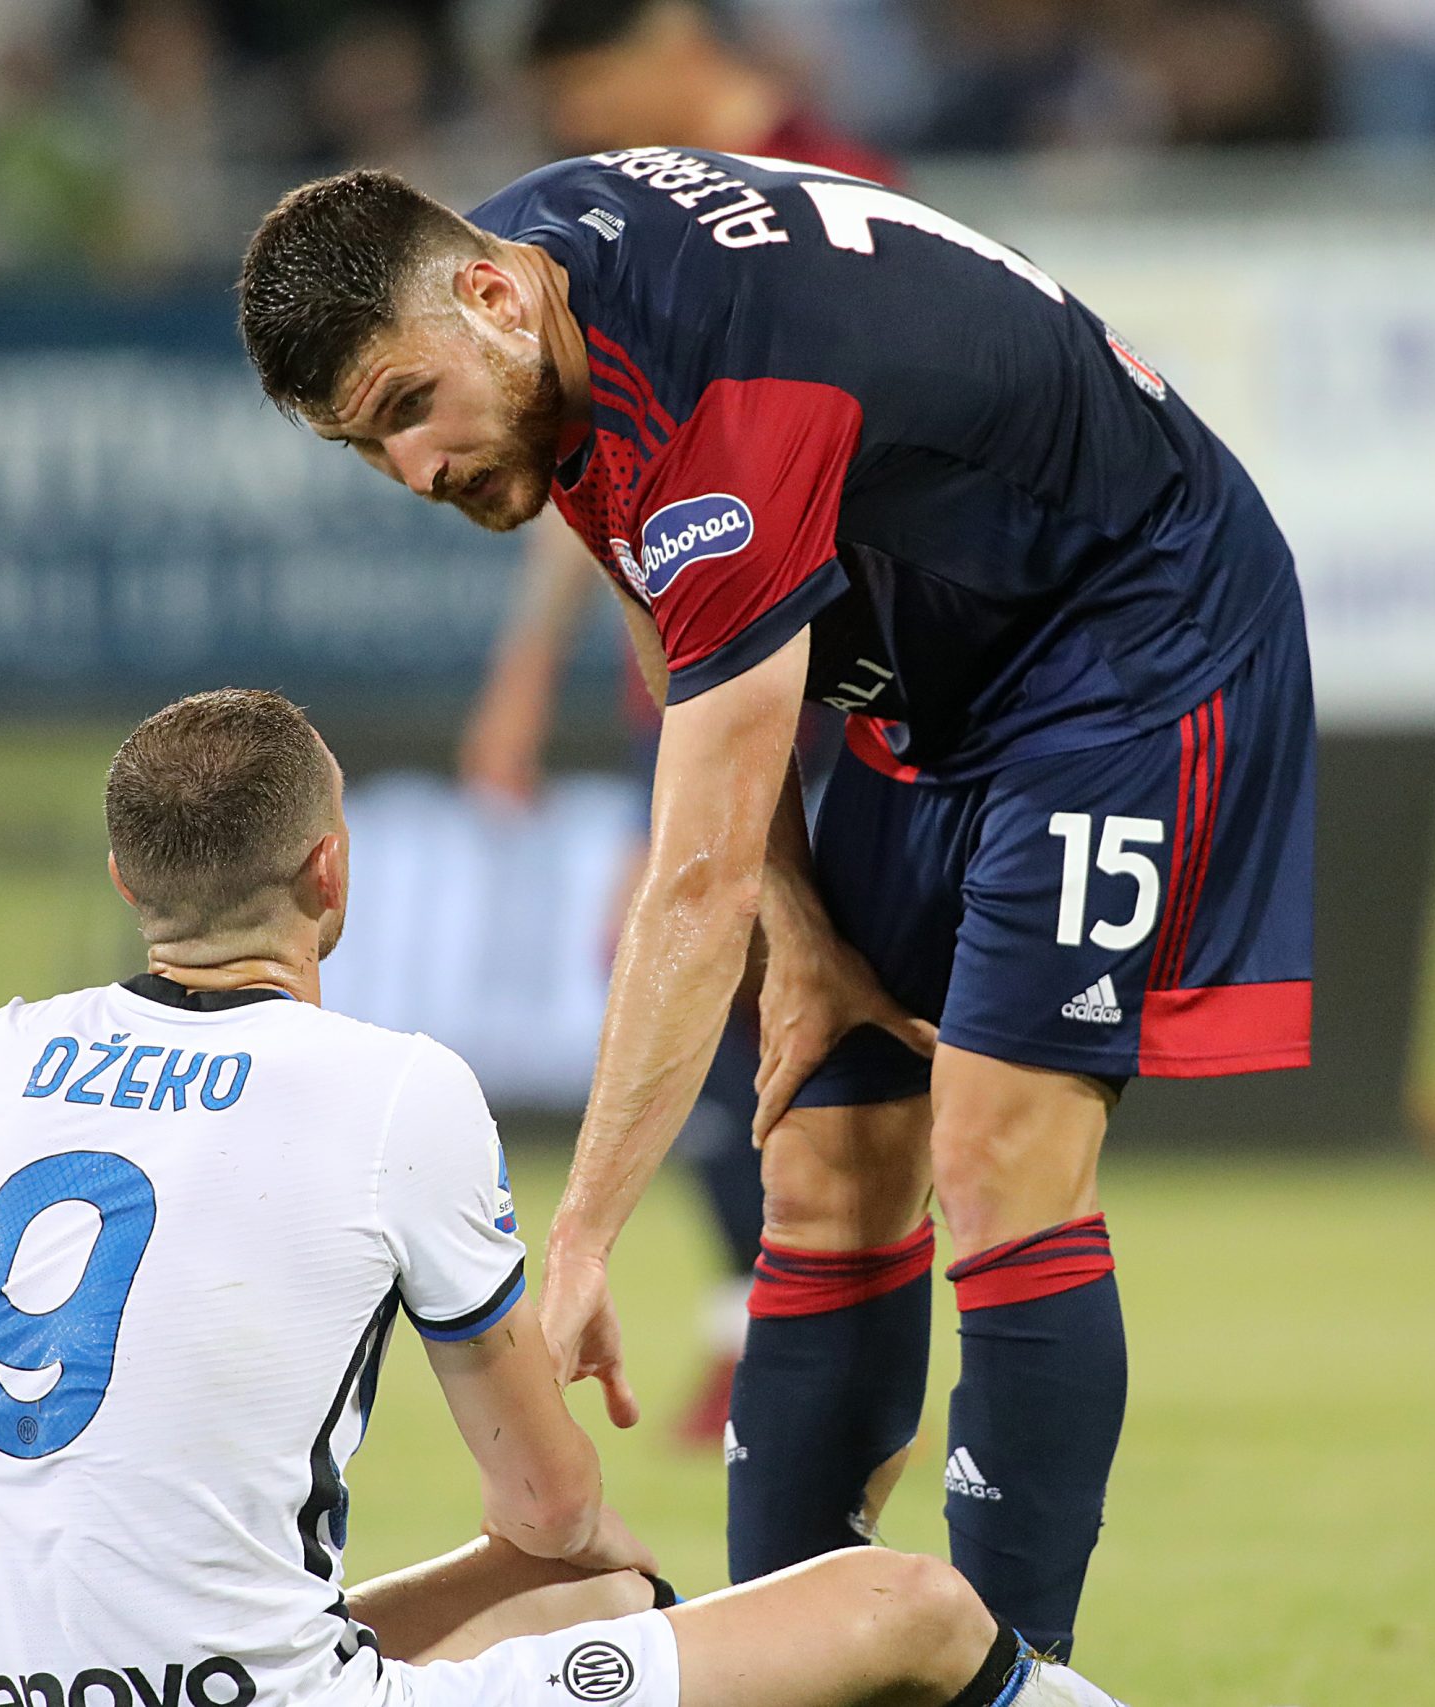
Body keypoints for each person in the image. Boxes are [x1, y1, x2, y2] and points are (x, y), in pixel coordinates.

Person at [236, 153, 1315, 1658]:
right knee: (822, 1156)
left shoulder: (724, 393)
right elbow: (657, 594)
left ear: (489, 297)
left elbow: (694, 875)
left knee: (997, 1150)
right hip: (929, 662)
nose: (414, 470)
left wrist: (585, 1234)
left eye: (410, 406)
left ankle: (1016, 1683)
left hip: (1129, 635)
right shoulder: (544, 294)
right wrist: (800, 937)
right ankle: (796, 1673)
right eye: (368, 446)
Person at [0, 686, 1128, 1707]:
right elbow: (545, 1505)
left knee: (598, 1601)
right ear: (331, 870)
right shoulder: (389, 1091)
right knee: (905, 1607)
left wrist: (82, 1638)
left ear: (127, 881)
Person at [459, 0, 899, 1450]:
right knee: (694, 951)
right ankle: (771, 1303)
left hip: (828, 646)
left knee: (738, 945)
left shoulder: (831, 186)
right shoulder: (609, 214)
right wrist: (524, 676)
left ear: (668, 38)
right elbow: (566, 452)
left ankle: (808, 1304)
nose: (574, 121)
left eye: (586, 85)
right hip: (694, 655)